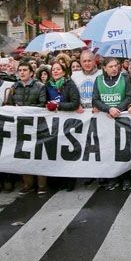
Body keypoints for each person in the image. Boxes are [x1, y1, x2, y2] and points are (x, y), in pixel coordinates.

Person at [92, 57, 131, 190]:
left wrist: (117, 109)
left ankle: (126, 178)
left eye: (116, 66)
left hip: (121, 118)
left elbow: (129, 96)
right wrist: (108, 109)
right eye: (110, 66)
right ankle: (112, 177)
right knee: (108, 150)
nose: (114, 68)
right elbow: (95, 99)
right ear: (104, 68)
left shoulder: (125, 78)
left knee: (123, 149)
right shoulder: (98, 80)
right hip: (105, 119)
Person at [7, 62, 47, 195]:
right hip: (20, 126)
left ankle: (41, 185)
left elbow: (43, 104)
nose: (22, 72)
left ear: (31, 73)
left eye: (25, 70)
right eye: (20, 70)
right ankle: (28, 184)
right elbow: (9, 104)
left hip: (36, 125)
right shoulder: (14, 87)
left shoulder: (40, 86)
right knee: (22, 154)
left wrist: (25, 109)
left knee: (38, 154)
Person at [45, 60, 81, 191]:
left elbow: (75, 103)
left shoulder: (70, 84)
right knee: (55, 151)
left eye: (58, 69)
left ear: (64, 72)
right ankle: (57, 180)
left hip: (67, 124)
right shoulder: (47, 86)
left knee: (67, 151)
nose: (55, 71)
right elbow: (43, 101)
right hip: (53, 124)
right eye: (53, 69)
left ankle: (70, 180)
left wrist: (58, 106)